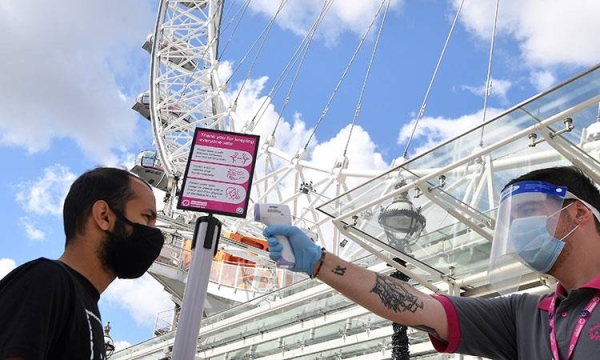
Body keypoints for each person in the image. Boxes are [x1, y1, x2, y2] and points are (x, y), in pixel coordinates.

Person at [264, 166, 600, 359]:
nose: (516, 230)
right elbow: (417, 306)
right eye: (510, 220)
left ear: (579, 212)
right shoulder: (524, 316)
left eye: (526, 212)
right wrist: (320, 263)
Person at [0, 167, 165, 360]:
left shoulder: (87, 307)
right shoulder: (46, 280)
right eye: (147, 217)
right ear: (104, 216)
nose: (155, 234)